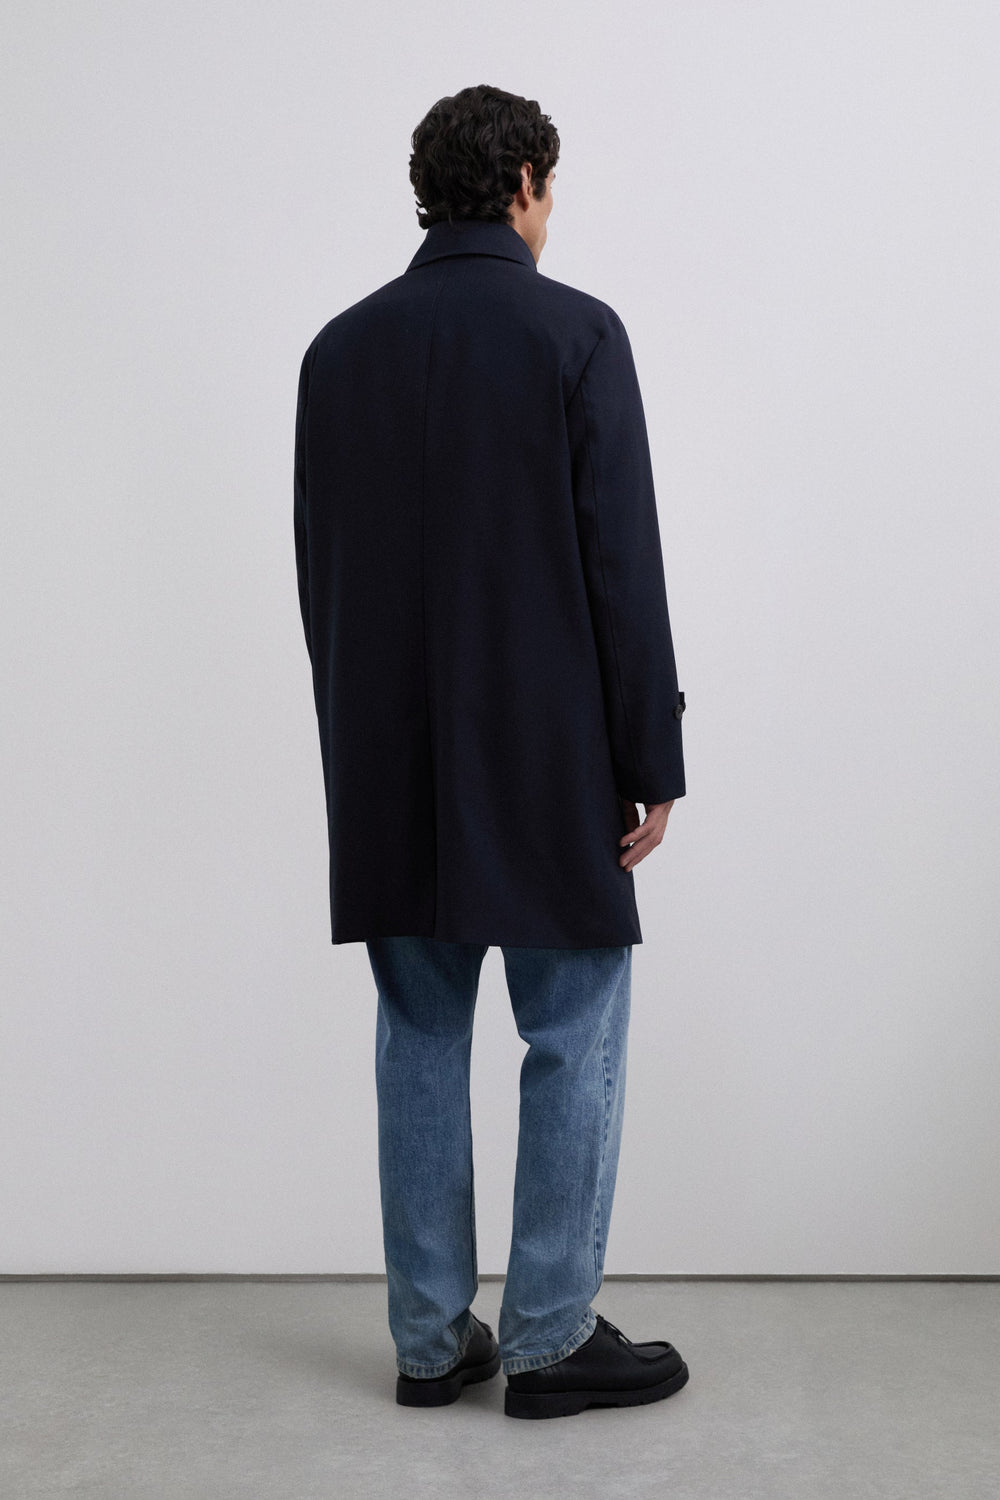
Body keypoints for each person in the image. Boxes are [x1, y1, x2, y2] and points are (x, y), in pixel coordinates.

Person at [293, 84, 689, 1419]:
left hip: (387, 752)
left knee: (418, 1028)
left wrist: (351, 742)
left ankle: (429, 1341)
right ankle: (550, 1338)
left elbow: (319, 573)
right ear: (522, 183)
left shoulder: (338, 352)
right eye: (549, 188)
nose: (550, 211)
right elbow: (619, 563)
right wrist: (650, 753)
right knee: (571, 1025)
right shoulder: (576, 333)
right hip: (547, 751)